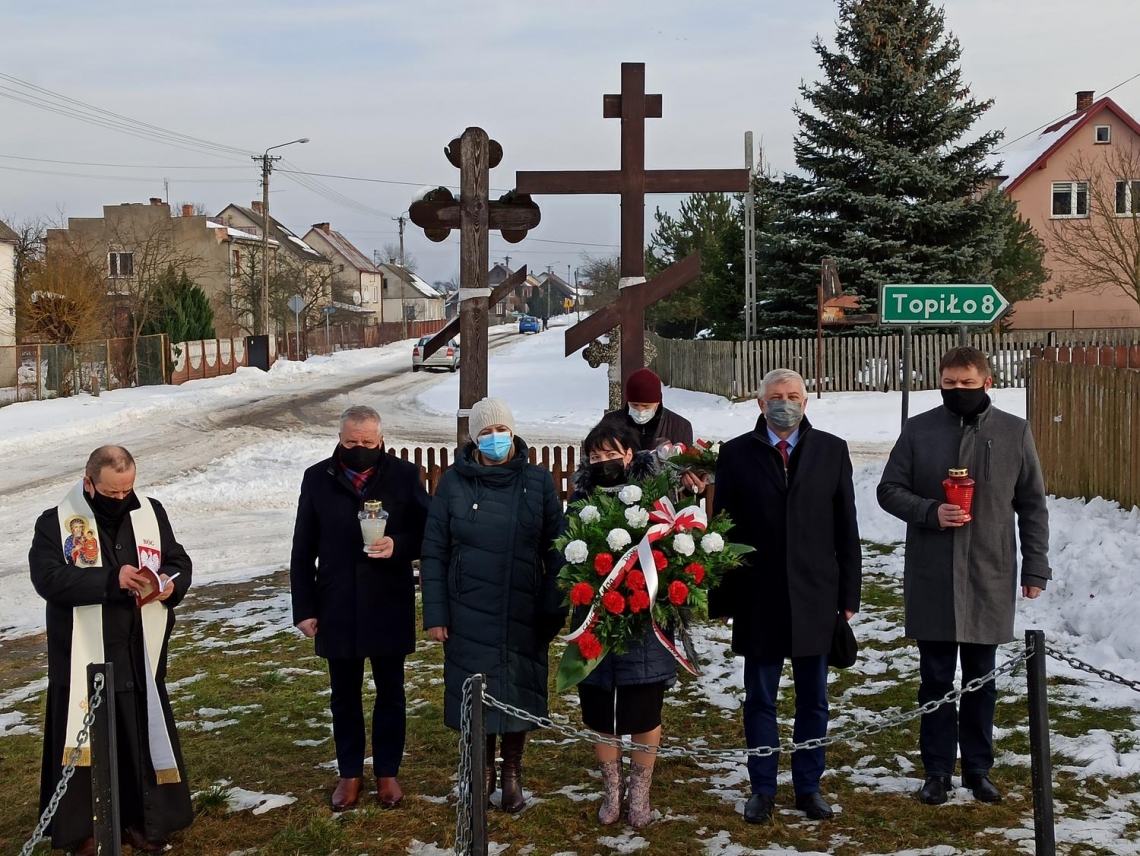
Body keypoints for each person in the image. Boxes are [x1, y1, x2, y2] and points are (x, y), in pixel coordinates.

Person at [877, 347, 1051, 806]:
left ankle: (978, 767)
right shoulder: (919, 429)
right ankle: (936, 770)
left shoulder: (1013, 431)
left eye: (966, 384)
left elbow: (1032, 504)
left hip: (987, 572)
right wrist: (931, 511)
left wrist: (1035, 566)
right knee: (935, 678)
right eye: (949, 383)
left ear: (987, 383)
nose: (958, 391)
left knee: (981, 678)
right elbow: (889, 490)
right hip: (933, 572)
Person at [709, 368, 861, 824]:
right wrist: (722, 598)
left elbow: (846, 528)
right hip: (760, 596)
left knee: (814, 698)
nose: (784, 403)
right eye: (776, 396)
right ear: (760, 403)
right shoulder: (735, 454)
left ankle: (809, 786)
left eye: (793, 395)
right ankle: (762, 788)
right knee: (760, 699)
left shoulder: (832, 450)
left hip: (816, 594)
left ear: (806, 402)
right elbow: (723, 530)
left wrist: (848, 594)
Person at [29, 446, 193, 856]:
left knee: (138, 734)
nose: (122, 499)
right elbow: (49, 579)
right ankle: (84, 829)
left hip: (138, 649)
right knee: (84, 742)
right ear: (89, 484)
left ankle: (145, 822)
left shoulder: (150, 514)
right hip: (83, 654)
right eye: (112, 492)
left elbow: (177, 560)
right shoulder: (55, 523)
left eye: (128, 491)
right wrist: (111, 579)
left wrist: (171, 583)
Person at [420, 397, 566, 814]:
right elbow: (434, 552)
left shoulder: (537, 482)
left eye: (501, 430)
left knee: (517, 693)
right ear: (474, 438)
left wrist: (553, 604)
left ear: (513, 432)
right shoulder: (453, 483)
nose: (495, 439)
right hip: (467, 609)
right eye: (486, 432)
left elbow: (558, 549)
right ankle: (479, 776)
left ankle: (513, 777)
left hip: (524, 607)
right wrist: (436, 613)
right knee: (477, 694)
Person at [290, 405, 430, 811]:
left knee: (391, 693)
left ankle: (388, 772)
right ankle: (349, 773)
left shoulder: (403, 475)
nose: (360, 449)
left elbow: (428, 532)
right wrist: (304, 606)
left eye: (368, 442)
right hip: (337, 602)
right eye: (352, 442)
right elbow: (303, 548)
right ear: (340, 438)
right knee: (344, 695)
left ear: (381, 439)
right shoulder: (317, 478)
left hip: (388, 600)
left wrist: (399, 546)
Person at [568, 416, 674, 828]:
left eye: (611, 453)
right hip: (594, 619)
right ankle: (612, 792)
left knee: (644, 711)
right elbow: (565, 555)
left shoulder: (654, 498)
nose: (603, 461)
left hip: (642, 622)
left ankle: (640, 797)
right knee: (599, 713)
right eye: (596, 455)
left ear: (630, 454)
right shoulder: (580, 501)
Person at [606, 367, 703, 492]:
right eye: (634, 405)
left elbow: (686, 471)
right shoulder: (611, 422)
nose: (640, 411)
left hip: (663, 503)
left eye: (646, 406)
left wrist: (695, 486)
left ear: (658, 401)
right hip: (619, 499)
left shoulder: (680, 426)